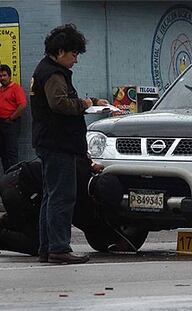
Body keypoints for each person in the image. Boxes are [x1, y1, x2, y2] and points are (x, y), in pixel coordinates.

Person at [30, 24, 109, 264]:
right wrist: (85, 105)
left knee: (51, 196)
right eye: (74, 54)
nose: (76, 60)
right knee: (62, 197)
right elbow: (60, 104)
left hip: (50, 142)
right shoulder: (53, 73)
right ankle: (59, 248)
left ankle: (47, 248)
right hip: (58, 144)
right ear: (61, 51)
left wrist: (92, 101)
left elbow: (64, 99)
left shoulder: (47, 70)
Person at [0, 158, 138, 257]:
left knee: (38, 221)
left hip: (16, 179)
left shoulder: (82, 168)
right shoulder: (80, 200)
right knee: (41, 243)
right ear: (97, 199)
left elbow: (81, 156)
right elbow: (93, 229)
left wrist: (92, 165)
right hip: (18, 189)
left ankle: (8, 223)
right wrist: (118, 240)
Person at [0, 64, 27, 172]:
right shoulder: (1, 90)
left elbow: (22, 105)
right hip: (1, 123)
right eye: (0, 76)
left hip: (10, 123)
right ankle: (6, 177)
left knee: (11, 151)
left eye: (4, 75)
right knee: (3, 152)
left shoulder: (16, 88)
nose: (2, 78)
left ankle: (14, 178)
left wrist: (11, 118)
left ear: (9, 76)